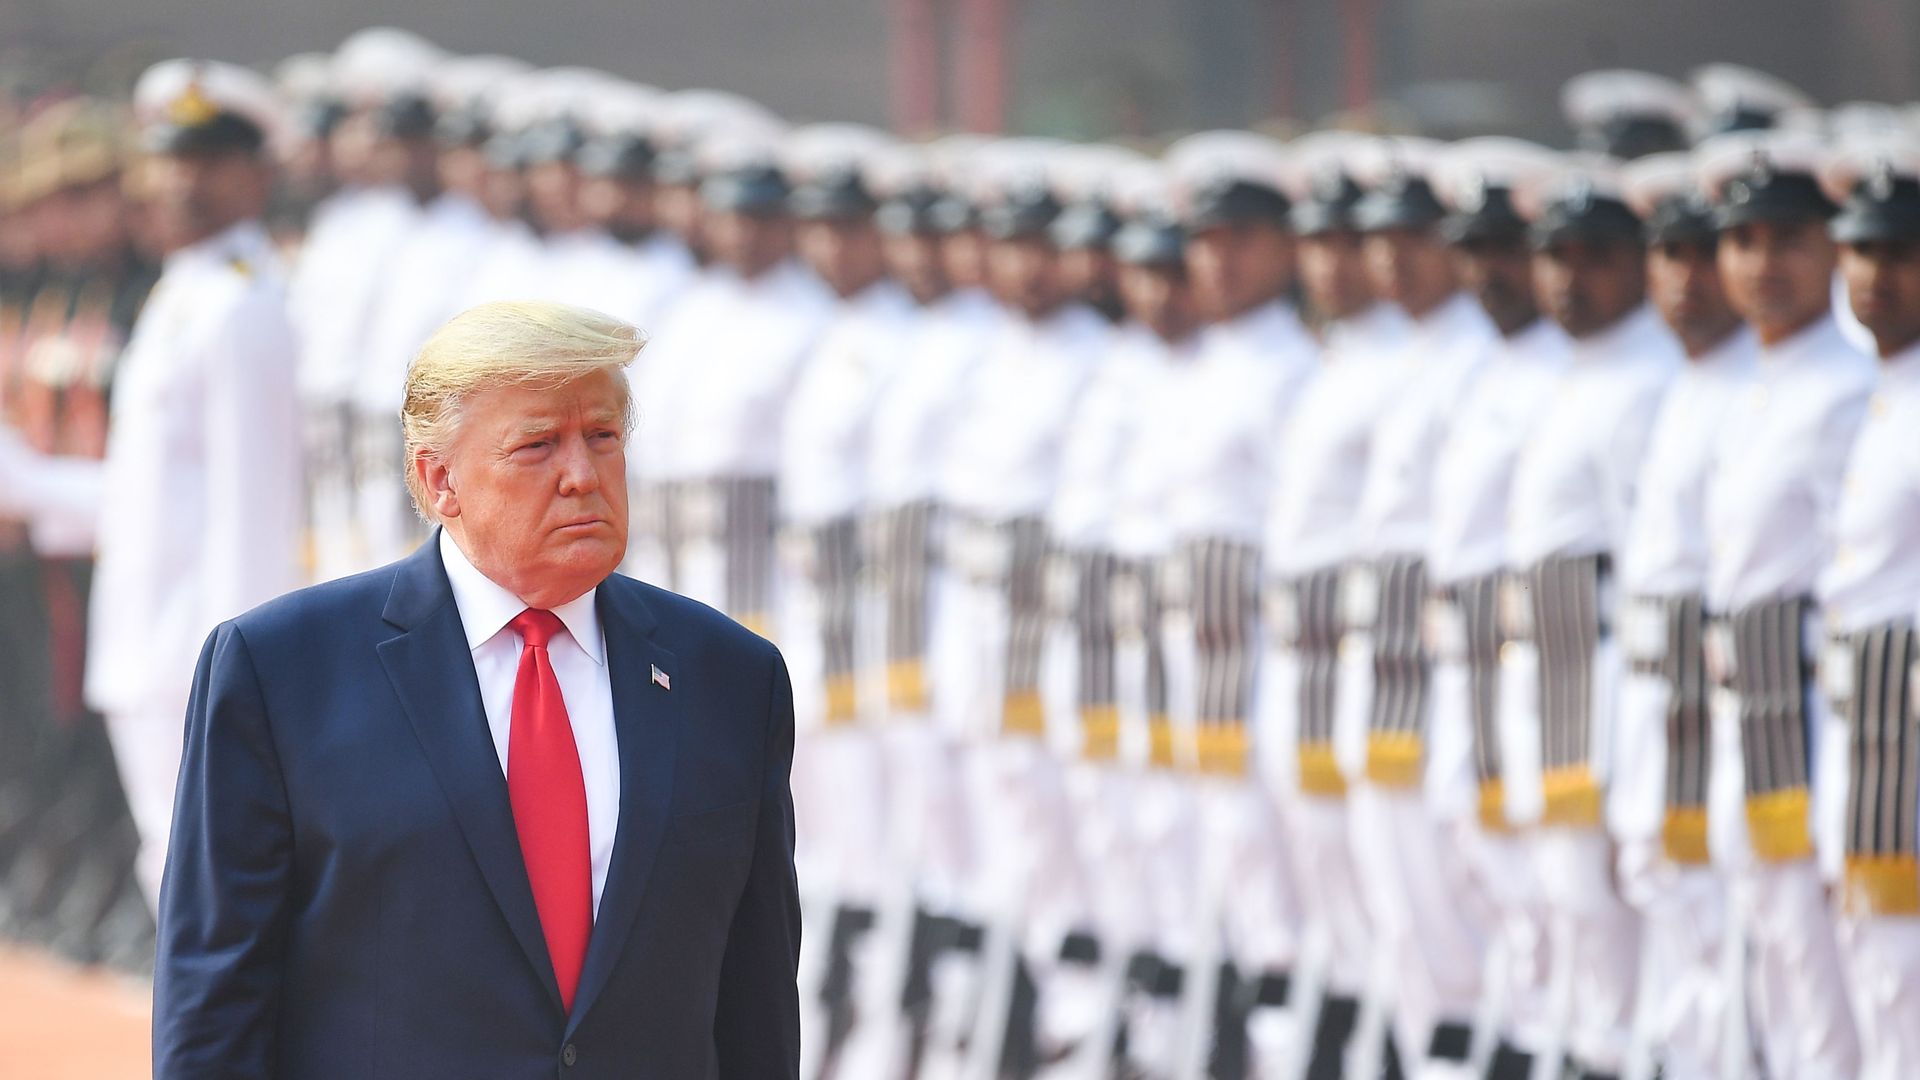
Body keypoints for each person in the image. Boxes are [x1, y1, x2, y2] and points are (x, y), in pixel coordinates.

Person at [154, 300, 802, 1079]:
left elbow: (757, 1005)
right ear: (439, 480)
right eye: (537, 446)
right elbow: (214, 1000)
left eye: (602, 437)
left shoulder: (730, 679)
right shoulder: (282, 672)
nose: (581, 475)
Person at [87, 58, 305, 914]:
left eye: (207, 162)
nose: (180, 182)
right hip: (146, 637)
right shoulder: (183, 292)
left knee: (211, 887)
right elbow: (142, 495)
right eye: (170, 159)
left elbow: (256, 510)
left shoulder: (240, 307)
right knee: (176, 875)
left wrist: (236, 674)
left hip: (192, 651)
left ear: (259, 175)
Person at [1697, 130, 1872, 1079]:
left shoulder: (1851, 391)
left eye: (1789, 241)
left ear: (1832, 249)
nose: (1763, 265)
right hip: (1746, 716)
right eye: (1744, 240)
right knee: (1778, 976)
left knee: (1838, 995)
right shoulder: (1753, 389)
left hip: (1817, 717)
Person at [1501, 164, 1681, 1080]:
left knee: (1609, 904)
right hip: (1550, 670)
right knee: (1566, 901)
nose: (1571, 278)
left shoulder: (1647, 379)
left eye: (1597, 257)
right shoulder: (1569, 371)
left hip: (1607, 677)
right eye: (1555, 256)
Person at [1345, 137, 1498, 1077]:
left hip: (1444, 665)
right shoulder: (1380, 352)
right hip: (1374, 659)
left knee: (1455, 908)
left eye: (1417, 235)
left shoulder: (1480, 358)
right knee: (1396, 903)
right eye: (1381, 237)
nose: (1393, 257)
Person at [1421, 136, 1569, 1079]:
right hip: (1459, 671)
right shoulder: (1482, 366)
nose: (1489, 273)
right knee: (1484, 894)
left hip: (1543, 675)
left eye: (1508, 251)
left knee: (1559, 913)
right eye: (1472, 251)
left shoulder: (1572, 367)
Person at [1610, 151, 1756, 1080]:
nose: (1685, 277)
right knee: (1659, 894)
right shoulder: (1678, 380)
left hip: (1739, 706)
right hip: (1651, 693)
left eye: (1708, 253)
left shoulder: (1764, 382)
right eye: (1666, 253)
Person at [1816, 136, 1920, 1080]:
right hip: (1859, 738)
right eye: (1863, 251)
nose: (1876, 276)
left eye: (1901, 254)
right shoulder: (1883, 393)